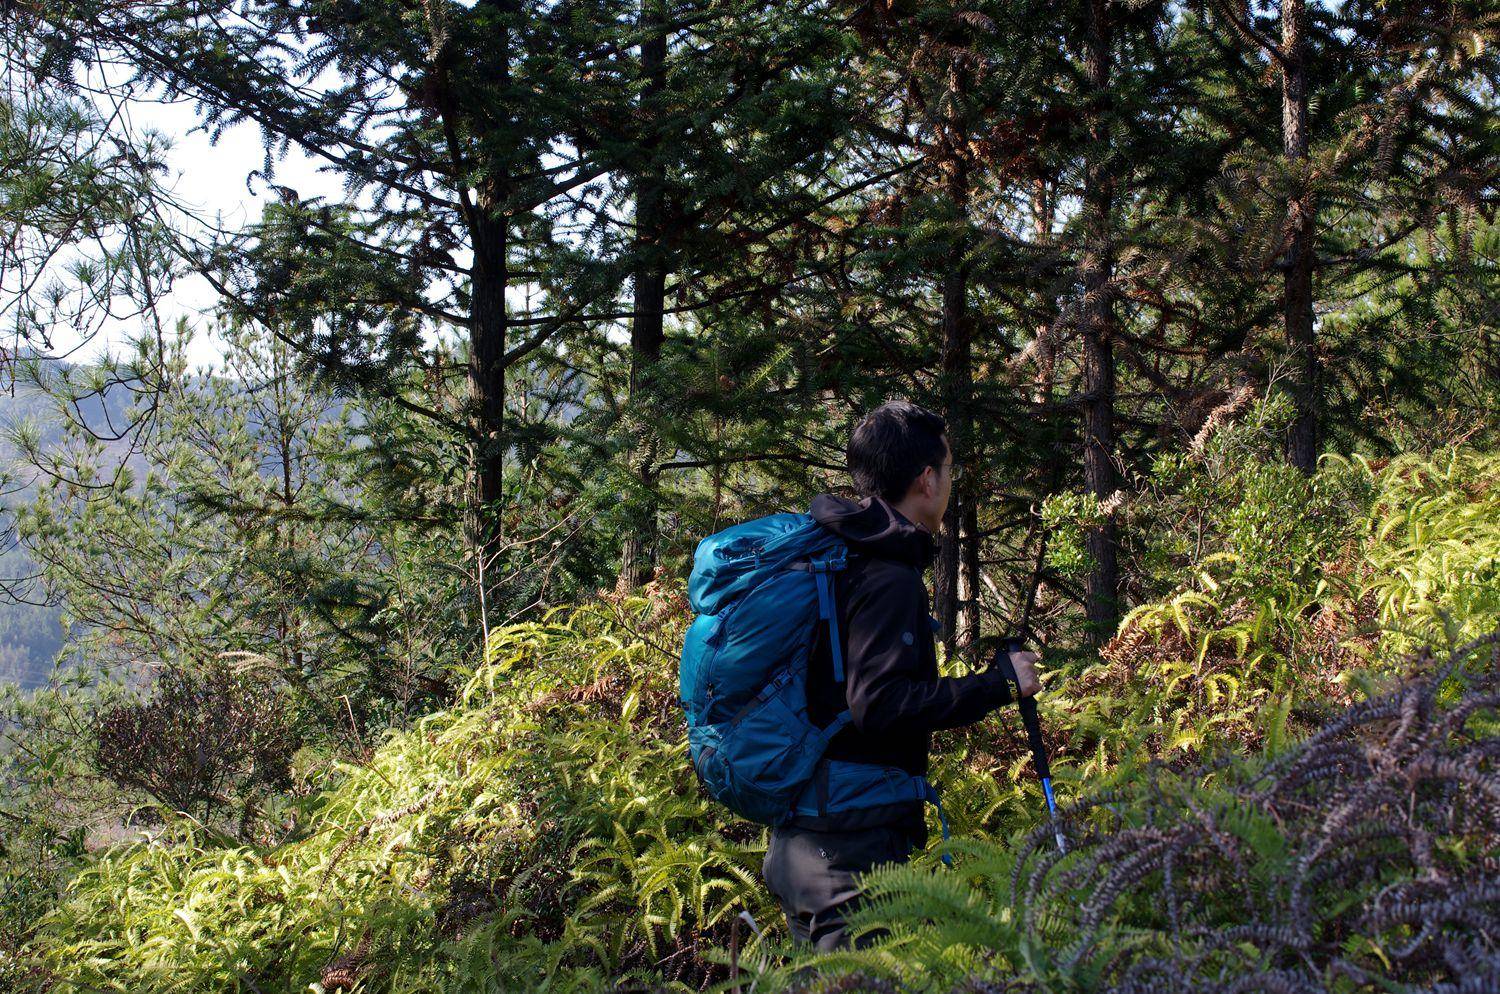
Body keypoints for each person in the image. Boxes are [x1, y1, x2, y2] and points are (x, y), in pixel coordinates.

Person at [760, 399, 1042, 951]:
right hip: (848, 854)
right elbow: (880, 703)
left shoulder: (842, 554)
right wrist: (998, 684)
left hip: (807, 839)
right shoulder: (886, 574)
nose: (951, 483)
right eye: (950, 469)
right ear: (927, 479)